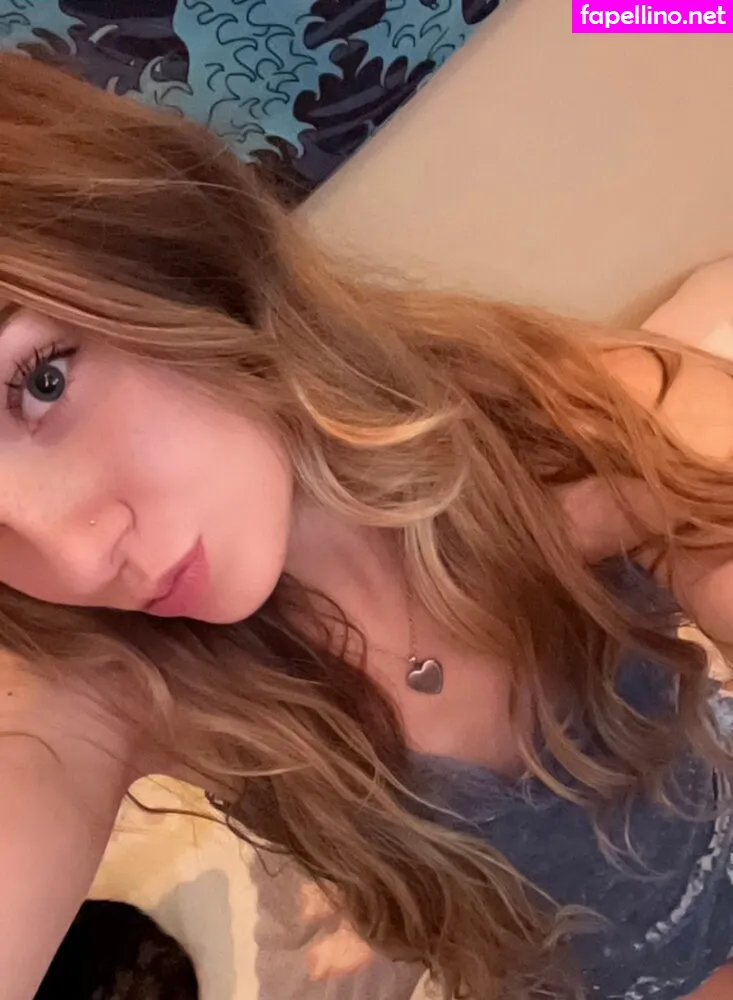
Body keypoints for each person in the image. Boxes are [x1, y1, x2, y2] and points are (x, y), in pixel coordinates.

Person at [1, 51, 733, 1000]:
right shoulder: (127, 680)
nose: (69, 555)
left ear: (167, 247)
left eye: (42, 380)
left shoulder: (572, 421)